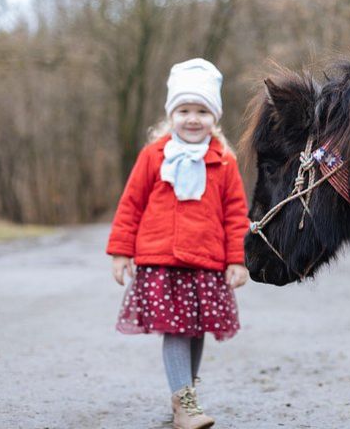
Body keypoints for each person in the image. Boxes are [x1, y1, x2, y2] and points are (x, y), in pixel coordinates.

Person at [106, 58, 249, 429]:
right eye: (184, 110)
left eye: (202, 111)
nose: (192, 119)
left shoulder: (224, 162)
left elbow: (236, 214)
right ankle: (185, 404)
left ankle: (184, 396)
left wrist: (238, 259)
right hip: (162, 260)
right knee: (176, 329)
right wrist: (122, 251)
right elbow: (131, 204)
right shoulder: (153, 156)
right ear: (171, 114)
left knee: (195, 328)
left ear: (214, 117)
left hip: (206, 262)